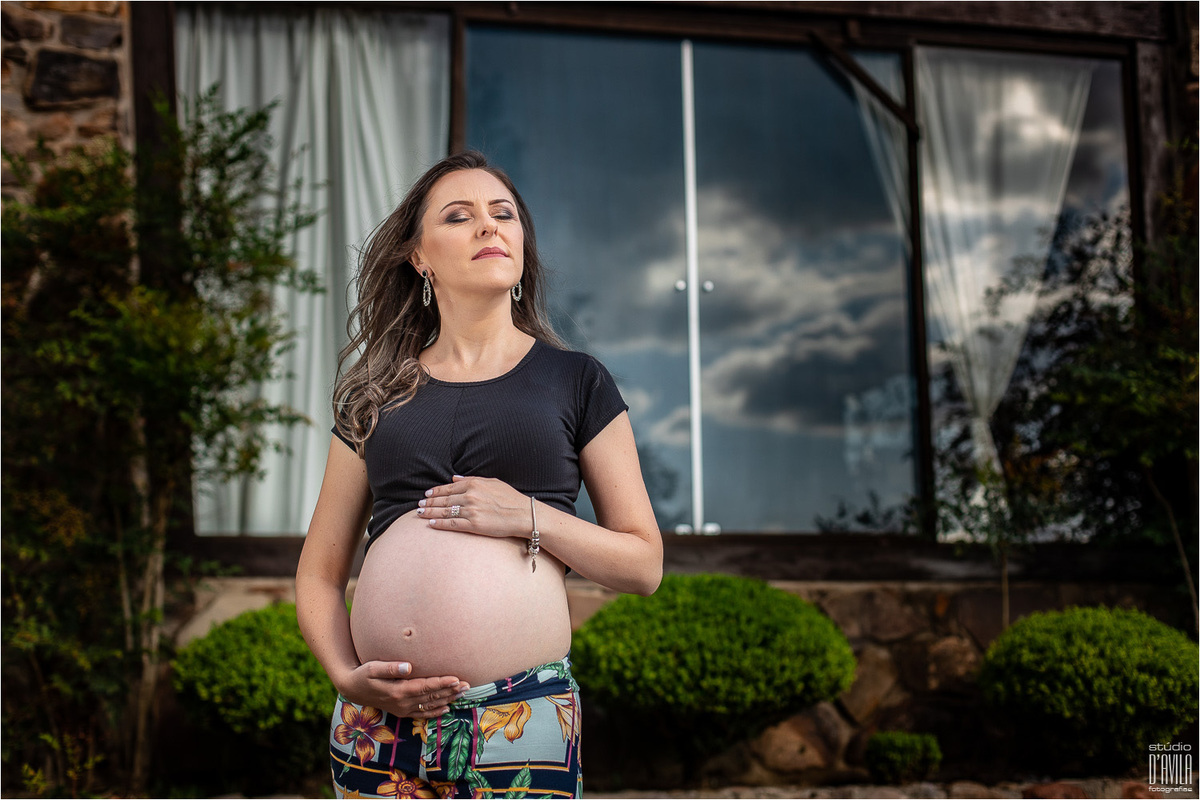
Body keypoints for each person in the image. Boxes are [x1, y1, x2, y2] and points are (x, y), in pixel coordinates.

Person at [296, 150, 663, 799]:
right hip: (378, 720)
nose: (490, 227)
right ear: (419, 256)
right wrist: (344, 675)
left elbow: (643, 564)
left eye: (504, 214)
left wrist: (527, 515)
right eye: (460, 216)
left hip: (517, 717)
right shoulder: (373, 392)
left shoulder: (576, 380)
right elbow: (321, 571)